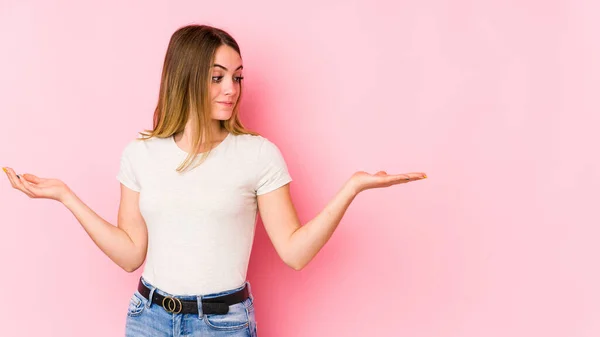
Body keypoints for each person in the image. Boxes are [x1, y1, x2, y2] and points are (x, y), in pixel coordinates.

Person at [2, 24, 427, 337]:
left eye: (237, 76)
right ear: (186, 76)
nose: (232, 89)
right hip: (148, 318)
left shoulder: (257, 154)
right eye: (217, 76)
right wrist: (65, 196)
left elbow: (295, 253)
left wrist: (351, 188)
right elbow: (131, 253)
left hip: (221, 325)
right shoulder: (141, 153)